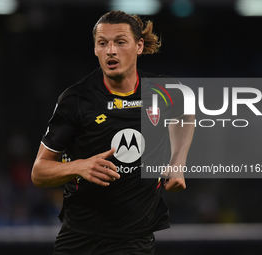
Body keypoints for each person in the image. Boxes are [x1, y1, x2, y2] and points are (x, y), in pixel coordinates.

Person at [31, 10, 195, 255]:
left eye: (120, 42)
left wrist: (178, 161)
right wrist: (79, 166)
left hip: (135, 241)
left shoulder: (165, 92)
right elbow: (39, 172)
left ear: (139, 46)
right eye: (102, 43)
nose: (111, 50)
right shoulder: (76, 99)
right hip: (80, 240)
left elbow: (187, 110)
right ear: (95, 49)